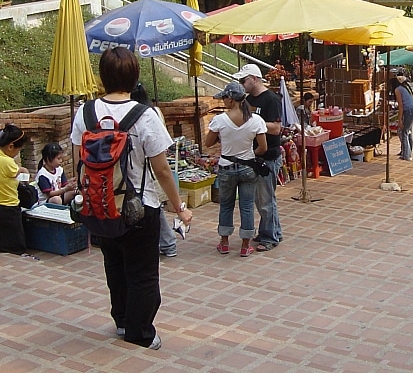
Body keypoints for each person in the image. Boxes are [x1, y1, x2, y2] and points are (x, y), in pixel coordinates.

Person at [70, 47, 192, 350]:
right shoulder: (145, 115)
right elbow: (163, 170)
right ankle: (140, 333)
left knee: (114, 266)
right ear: (134, 75)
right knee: (143, 274)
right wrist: (179, 207)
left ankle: (122, 320)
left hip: (100, 205)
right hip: (140, 208)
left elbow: (78, 161)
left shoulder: (85, 113)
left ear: (102, 77)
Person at [205, 81, 267, 258]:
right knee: (247, 207)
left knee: (226, 205)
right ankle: (245, 245)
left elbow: (208, 143)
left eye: (224, 98)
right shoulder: (256, 120)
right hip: (248, 168)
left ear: (230, 99)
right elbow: (262, 148)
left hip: (226, 167)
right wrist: (247, 155)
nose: (223, 101)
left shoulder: (219, 120)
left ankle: (224, 243)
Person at [234, 64, 283, 252]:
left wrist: (256, 123)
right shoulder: (247, 100)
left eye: (244, 80)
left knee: (265, 199)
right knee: (262, 199)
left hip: (268, 155)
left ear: (254, 78)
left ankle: (269, 236)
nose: (242, 84)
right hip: (253, 154)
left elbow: (277, 128)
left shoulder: (271, 99)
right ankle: (271, 231)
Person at [131, 82, 178, 258]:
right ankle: (166, 242)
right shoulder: (154, 111)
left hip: (149, 165)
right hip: (154, 160)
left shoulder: (145, 115)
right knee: (153, 204)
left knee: (153, 205)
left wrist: (179, 207)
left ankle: (168, 242)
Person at [0, 124, 34, 258]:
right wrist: (23, 170)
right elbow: (17, 173)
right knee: (15, 245)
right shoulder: (7, 162)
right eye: (18, 150)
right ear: (10, 146)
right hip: (9, 208)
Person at [391, 76, 413, 161]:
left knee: (403, 132)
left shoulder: (397, 90)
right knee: (408, 132)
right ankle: (406, 152)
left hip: (408, 112)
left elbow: (401, 106)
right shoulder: (404, 88)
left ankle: (406, 155)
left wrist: (400, 120)